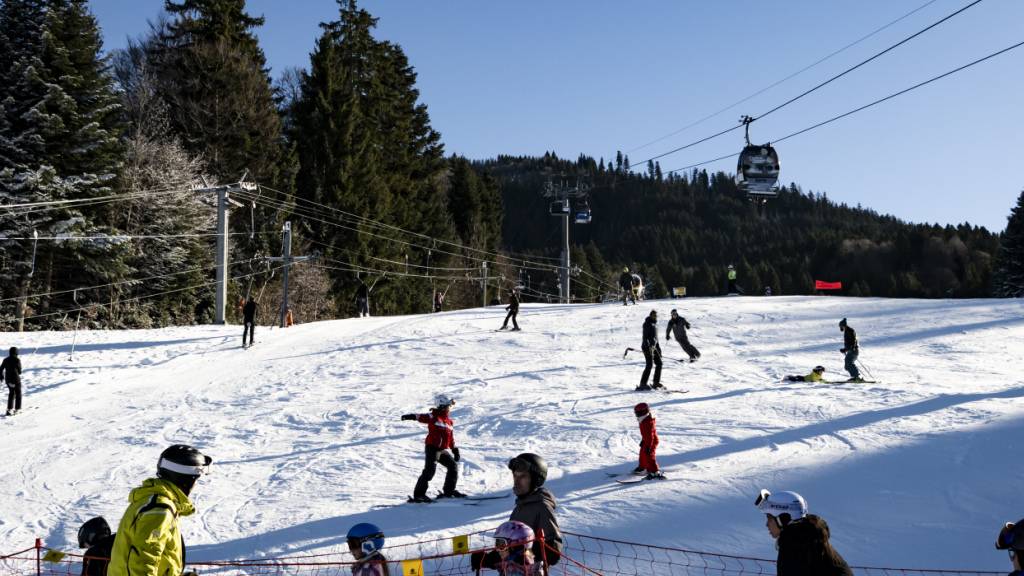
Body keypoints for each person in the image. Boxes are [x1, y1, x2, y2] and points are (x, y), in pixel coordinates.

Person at [108, 445, 212, 576]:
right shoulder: (159, 510)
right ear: (186, 481)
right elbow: (142, 561)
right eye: (195, 480)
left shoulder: (154, 502)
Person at [474, 453, 562, 572]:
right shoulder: (520, 506)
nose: (516, 481)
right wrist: (487, 559)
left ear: (536, 480)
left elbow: (553, 552)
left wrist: (525, 555)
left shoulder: (541, 507)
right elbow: (511, 546)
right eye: (515, 476)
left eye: (523, 477)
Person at [754, 489, 852, 576]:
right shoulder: (809, 537)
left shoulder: (796, 546)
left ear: (782, 519)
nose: (767, 524)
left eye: (769, 518)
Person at [400, 395, 463, 502]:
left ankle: (449, 491)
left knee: (453, 467)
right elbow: (420, 417)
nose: (450, 408)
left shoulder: (449, 421)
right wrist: (410, 416)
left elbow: (450, 437)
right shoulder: (434, 416)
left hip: (442, 450)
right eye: (448, 406)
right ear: (442, 406)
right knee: (429, 471)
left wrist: (454, 449)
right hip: (432, 448)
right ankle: (419, 495)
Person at [632, 403, 664, 480]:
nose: (637, 414)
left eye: (638, 413)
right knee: (642, 453)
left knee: (649, 455)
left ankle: (654, 472)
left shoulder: (647, 422)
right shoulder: (643, 419)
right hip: (647, 440)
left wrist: (648, 446)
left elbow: (650, 435)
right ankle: (642, 468)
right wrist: (643, 440)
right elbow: (646, 434)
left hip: (651, 441)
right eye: (636, 413)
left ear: (644, 412)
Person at [637, 311, 663, 391]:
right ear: (650, 315)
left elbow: (656, 339)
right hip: (647, 347)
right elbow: (645, 337)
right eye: (653, 315)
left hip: (654, 347)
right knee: (649, 364)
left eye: (656, 315)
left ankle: (656, 382)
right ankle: (643, 384)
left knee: (659, 363)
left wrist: (659, 350)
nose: (655, 317)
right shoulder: (647, 324)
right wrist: (649, 346)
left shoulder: (655, 324)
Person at [838, 318, 862, 382]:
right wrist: (845, 349)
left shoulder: (850, 331)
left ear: (843, 325)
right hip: (851, 350)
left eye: (840, 326)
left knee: (849, 363)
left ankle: (856, 377)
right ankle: (855, 377)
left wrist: (849, 348)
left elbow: (853, 341)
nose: (840, 328)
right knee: (847, 365)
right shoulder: (847, 331)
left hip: (853, 350)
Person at [2, 346, 22, 416]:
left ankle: (9, 409)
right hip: (16, 380)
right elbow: (19, 372)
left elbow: (1, 369)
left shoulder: (5, 360)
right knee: (18, 393)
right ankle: (17, 409)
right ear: (16, 352)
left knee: (11, 393)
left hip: (8, 380)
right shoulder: (17, 360)